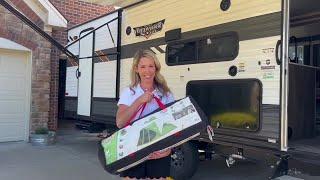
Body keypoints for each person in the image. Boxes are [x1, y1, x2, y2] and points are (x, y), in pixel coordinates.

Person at [116, 49, 175, 180]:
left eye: (151, 66)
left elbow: (175, 125)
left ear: (156, 68)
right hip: (133, 153)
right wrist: (139, 100)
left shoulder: (166, 94)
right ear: (136, 69)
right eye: (143, 67)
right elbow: (120, 122)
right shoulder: (129, 93)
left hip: (159, 154)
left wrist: (169, 149)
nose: (147, 71)